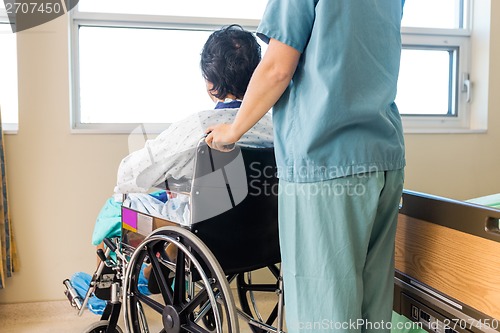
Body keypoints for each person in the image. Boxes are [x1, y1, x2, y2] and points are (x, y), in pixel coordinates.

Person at [205, 1, 406, 332]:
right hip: (384, 154)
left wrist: (232, 130)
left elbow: (277, 69)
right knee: (372, 310)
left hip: (325, 160)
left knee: (323, 314)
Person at [70, 25, 273, 315]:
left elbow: (131, 174)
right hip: (262, 238)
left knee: (119, 206)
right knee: (174, 199)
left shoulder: (198, 126)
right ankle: (157, 264)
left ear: (209, 81)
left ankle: (116, 289)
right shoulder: (277, 127)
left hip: (203, 235)